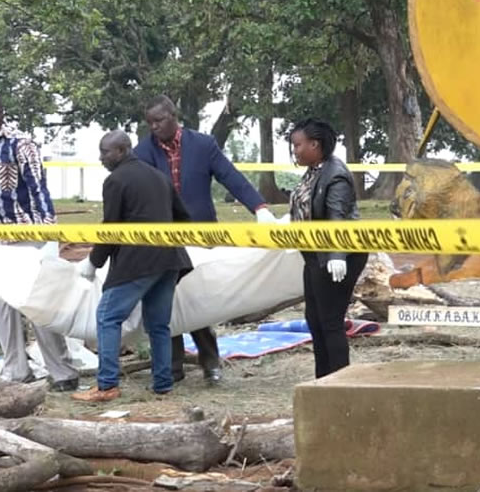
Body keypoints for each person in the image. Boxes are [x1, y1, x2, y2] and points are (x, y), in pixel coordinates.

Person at [134, 94, 277, 385]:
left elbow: (231, 176)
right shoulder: (142, 152)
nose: (154, 127)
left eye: (159, 121)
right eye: (150, 123)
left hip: (200, 236)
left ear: (174, 117)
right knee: (167, 301)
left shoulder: (203, 145)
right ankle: (172, 366)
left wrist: (259, 208)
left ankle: (210, 359)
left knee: (198, 298)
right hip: (163, 239)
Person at [0, 91, 80, 391]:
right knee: (2, 304)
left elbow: (38, 187)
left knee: (39, 305)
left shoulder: (21, 144)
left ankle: (63, 373)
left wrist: (46, 233)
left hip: (30, 238)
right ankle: (16, 370)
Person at [72, 130, 193, 402]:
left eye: (106, 151)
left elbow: (112, 227)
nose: (101, 157)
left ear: (123, 150)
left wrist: (93, 262)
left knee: (107, 316)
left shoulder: (116, 180)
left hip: (139, 262)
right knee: (159, 325)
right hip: (170, 259)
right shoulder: (159, 176)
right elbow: (184, 217)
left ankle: (106, 386)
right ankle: (163, 384)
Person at [287, 117, 367, 379]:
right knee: (315, 320)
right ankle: (323, 380)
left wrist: (337, 256)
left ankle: (340, 383)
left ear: (315, 144)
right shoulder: (315, 171)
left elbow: (337, 218)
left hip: (338, 256)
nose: (294, 150)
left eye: (298, 145)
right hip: (315, 256)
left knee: (330, 322)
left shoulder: (336, 175)